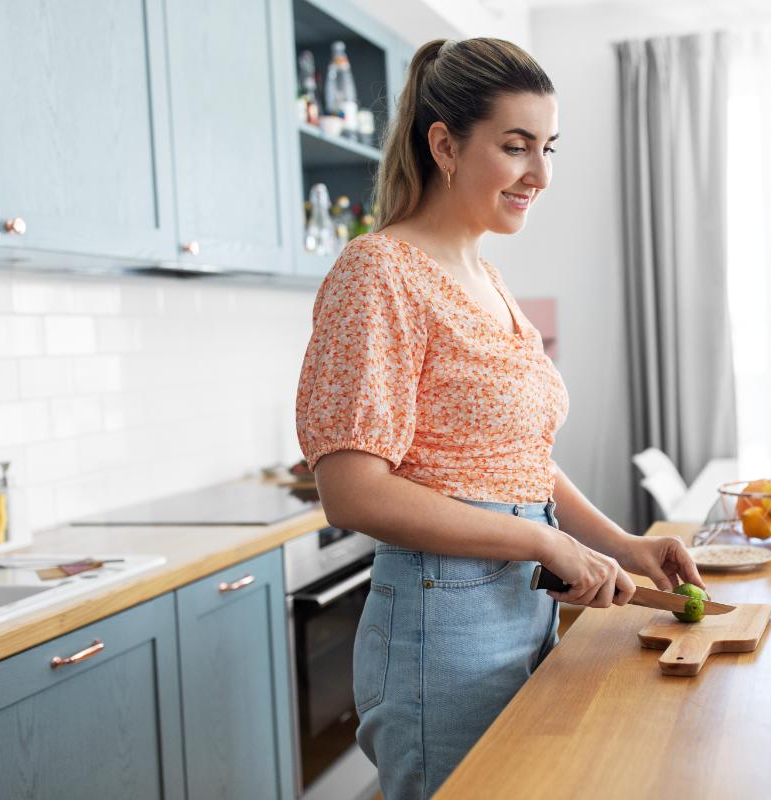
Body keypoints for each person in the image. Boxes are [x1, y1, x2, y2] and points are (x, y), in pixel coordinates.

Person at [294, 37, 704, 800]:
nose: (540, 175)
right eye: (516, 147)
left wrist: (621, 543)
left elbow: (513, 458)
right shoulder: (377, 271)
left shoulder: (487, 276)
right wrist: (545, 540)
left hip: (520, 604)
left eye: (546, 148)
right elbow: (352, 493)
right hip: (439, 620)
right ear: (445, 145)